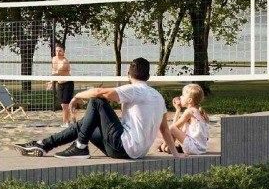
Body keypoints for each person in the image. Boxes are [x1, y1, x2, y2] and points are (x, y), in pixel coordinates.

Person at [13, 57, 180, 160]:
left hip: (124, 147)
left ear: (128, 75)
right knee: (85, 124)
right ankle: (43, 145)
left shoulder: (134, 89)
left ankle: (80, 147)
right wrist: (176, 155)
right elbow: (165, 129)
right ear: (148, 76)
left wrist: (76, 97)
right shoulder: (158, 97)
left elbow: (99, 92)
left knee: (97, 102)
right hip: (136, 152)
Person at [159, 84, 210, 155]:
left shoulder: (189, 112)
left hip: (193, 148)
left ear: (189, 100)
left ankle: (165, 146)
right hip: (202, 149)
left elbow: (173, 127)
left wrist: (178, 110)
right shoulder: (201, 112)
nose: (180, 97)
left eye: (182, 95)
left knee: (172, 128)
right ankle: (169, 147)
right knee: (181, 128)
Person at [49, 45, 74, 125]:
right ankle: (68, 121)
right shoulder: (54, 59)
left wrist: (50, 81)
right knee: (63, 105)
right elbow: (53, 70)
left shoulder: (64, 62)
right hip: (60, 84)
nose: (58, 52)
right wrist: (51, 82)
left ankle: (66, 122)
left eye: (60, 51)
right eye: (56, 51)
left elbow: (57, 73)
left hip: (68, 83)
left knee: (65, 105)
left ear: (63, 52)